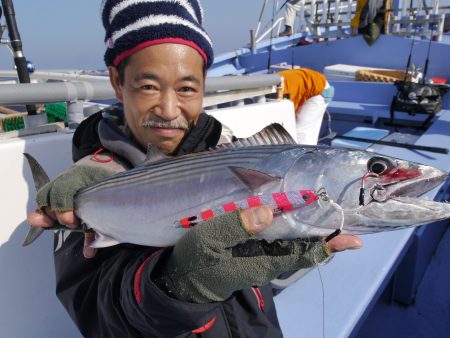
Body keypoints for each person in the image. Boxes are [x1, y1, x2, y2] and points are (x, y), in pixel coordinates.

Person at [27, 1, 362, 337]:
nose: (169, 109)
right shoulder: (85, 188)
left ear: (204, 84)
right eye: (148, 86)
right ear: (117, 81)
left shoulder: (236, 148)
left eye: (187, 88)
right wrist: (179, 286)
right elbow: (98, 314)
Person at [278, 68, 334, 145]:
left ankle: (304, 155)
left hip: (318, 89)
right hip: (307, 83)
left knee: (299, 133)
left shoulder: (279, 98)